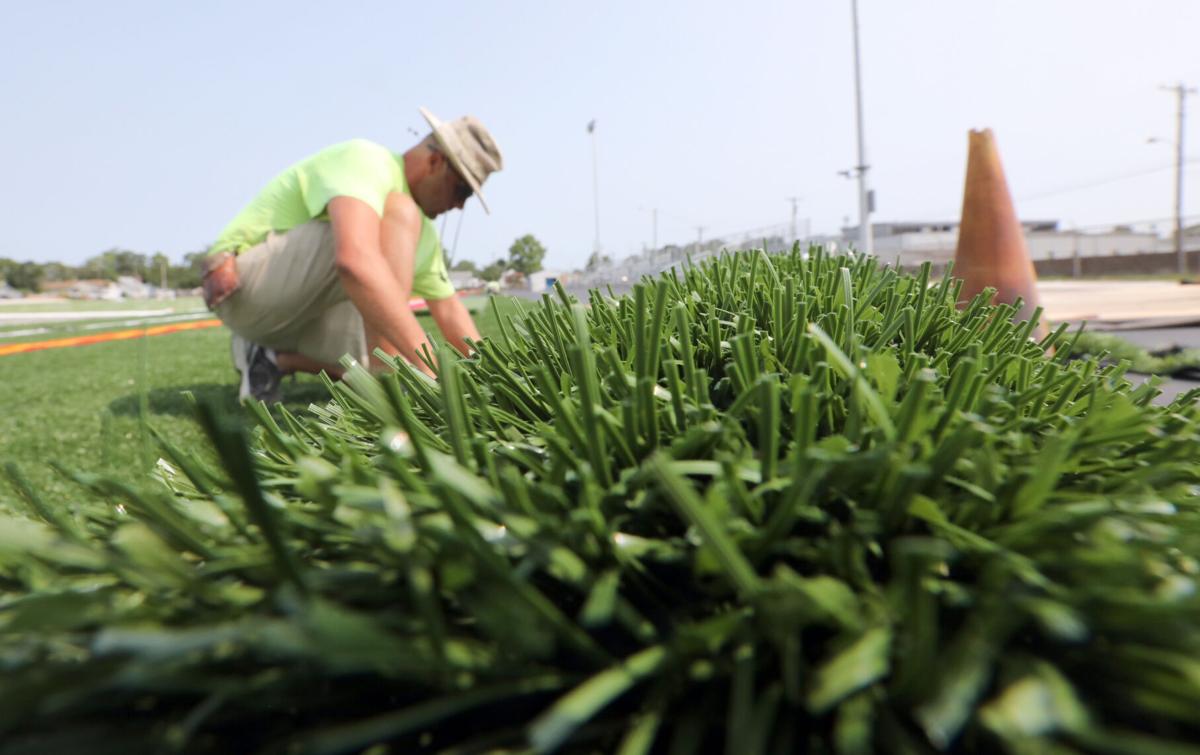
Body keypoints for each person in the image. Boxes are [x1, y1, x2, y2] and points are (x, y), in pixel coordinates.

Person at [203, 107, 503, 401]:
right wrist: (429, 370)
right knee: (388, 232)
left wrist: (496, 379)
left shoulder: (422, 233)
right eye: (462, 190)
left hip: (296, 313)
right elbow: (354, 262)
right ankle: (391, 383)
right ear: (436, 162)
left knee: (367, 364)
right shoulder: (368, 160)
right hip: (244, 290)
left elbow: (449, 310)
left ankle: (271, 358)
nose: (460, 205)